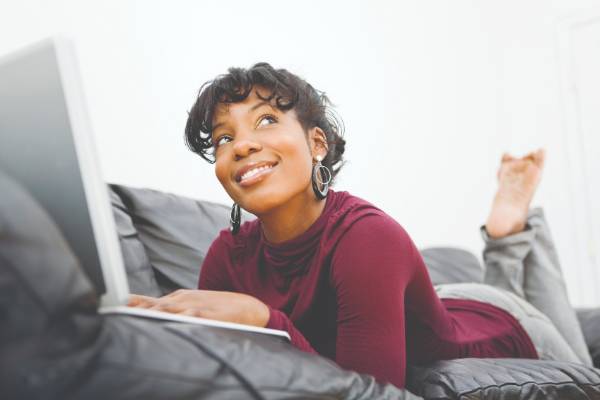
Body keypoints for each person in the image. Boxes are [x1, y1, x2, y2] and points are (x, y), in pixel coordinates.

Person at [129, 63, 592, 389]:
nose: (242, 146)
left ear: (317, 144)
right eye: (224, 138)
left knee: (584, 363)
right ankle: (505, 236)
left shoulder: (367, 237)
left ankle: (507, 233)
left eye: (266, 120)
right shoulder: (226, 255)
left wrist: (268, 321)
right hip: (440, 302)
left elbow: (373, 392)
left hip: (502, 326)